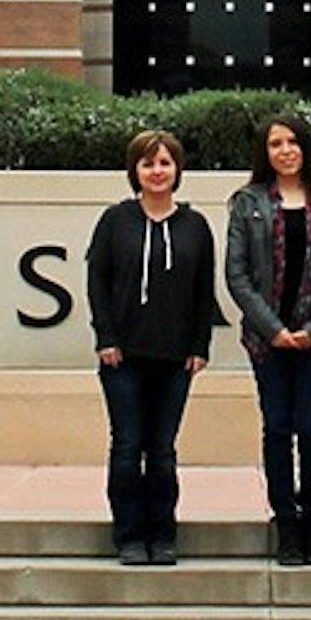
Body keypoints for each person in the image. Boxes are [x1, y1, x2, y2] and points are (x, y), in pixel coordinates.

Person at [225, 114, 311, 566]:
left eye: (292, 142)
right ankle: (286, 522)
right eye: (275, 143)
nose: (285, 150)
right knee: (278, 428)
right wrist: (275, 330)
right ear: (265, 152)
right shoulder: (247, 203)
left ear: (305, 147)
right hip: (268, 342)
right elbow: (237, 275)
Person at [86, 130, 214, 566]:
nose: (156, 171)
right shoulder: (115, 221)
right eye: (147, 163)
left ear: (177, 169)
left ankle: (162, 535)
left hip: (175, 358)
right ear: (134, 171)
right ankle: (128, 536)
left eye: (164, 163)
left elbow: (203, 291)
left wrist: (200, 346)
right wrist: (105, 337)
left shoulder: (195, 226)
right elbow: (96, 282)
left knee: (161, 450)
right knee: (127, 446)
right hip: (122, 357)